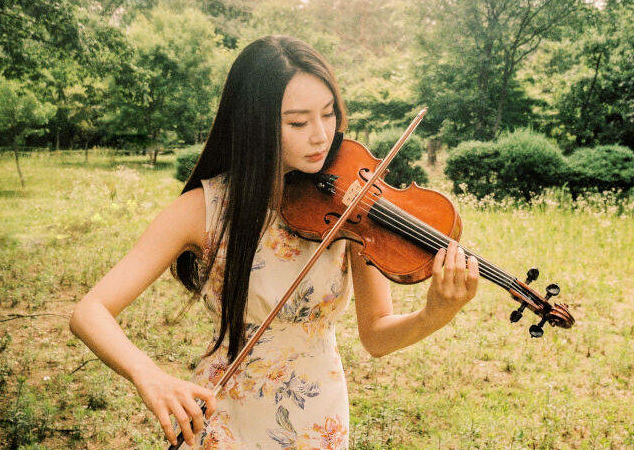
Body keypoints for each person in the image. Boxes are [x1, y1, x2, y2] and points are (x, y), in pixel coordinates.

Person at [69, 35, 479, 449]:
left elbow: (375, 335)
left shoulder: (350, 206)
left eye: (329, 114)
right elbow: (90, 312)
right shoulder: (202, 209)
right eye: (298, 123)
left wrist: (434, 314)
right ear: (254, 124)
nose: (321, 136)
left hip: (319, 419)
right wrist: (150, 376)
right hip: (227, 416)